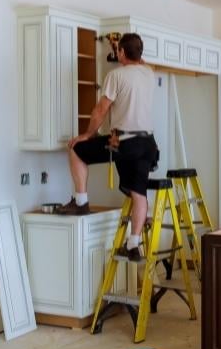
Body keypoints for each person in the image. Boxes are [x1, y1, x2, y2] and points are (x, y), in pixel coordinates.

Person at [58, 32, 158, 262]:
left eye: (119, 51)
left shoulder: (116, 75)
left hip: (124, 141)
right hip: (148, 144)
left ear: (121, 53)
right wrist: (122, 48)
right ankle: (133, 245)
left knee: (76, 149)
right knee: (139, 193)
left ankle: (81, 201)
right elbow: (138, 60)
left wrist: (87, 134)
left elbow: (100, 110)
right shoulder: (148, 73)